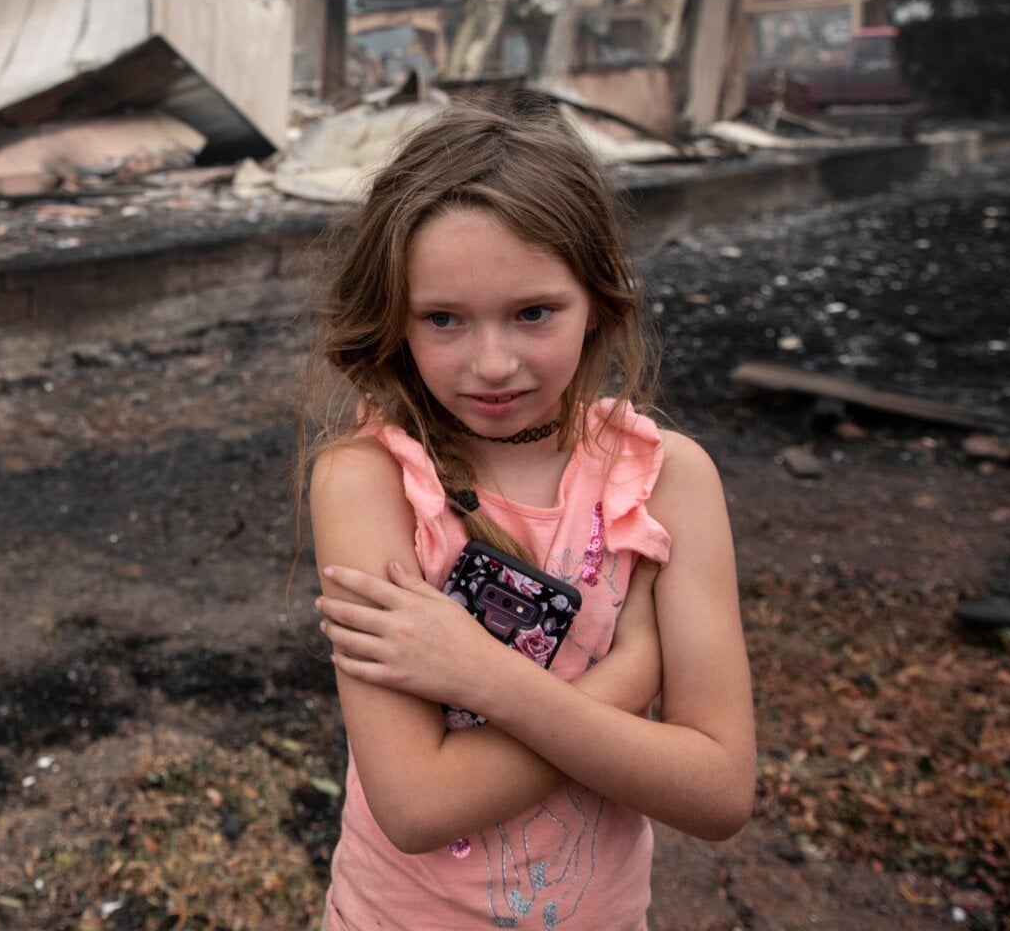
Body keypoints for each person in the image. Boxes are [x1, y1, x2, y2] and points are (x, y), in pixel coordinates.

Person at [302, 89, 755, 930]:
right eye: (443, 319)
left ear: (599, 300)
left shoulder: (668, 480)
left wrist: (481, 676)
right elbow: (418, 804)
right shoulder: (368, 484)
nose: (493, 362)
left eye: (533, 312)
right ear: (395, 321)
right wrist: (629, 674)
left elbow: (720, 791)